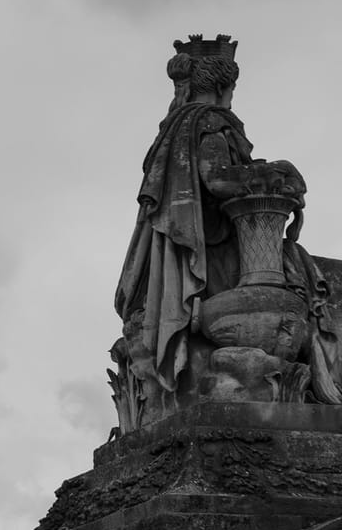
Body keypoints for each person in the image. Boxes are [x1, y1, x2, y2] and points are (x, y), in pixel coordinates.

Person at [115, 33, 337, 405]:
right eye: (232, 88)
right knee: (308, 278)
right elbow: (216, 178)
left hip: (202, 241)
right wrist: (270, 175)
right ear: (223, 85)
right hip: (216, 246)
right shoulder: (210, 121)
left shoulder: (177, 124)